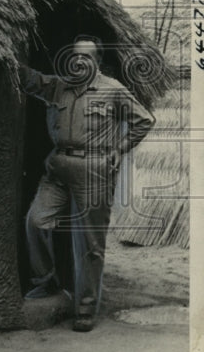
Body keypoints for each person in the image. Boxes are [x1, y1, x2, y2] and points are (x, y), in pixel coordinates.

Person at [18, 35, 155, 332]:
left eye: (86, 56)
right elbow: (29, 80)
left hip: (94, 170)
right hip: (58, 168)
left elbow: (144, 120)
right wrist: (7, 56)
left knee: (90, 244)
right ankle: (47, 282)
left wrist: (120, 149)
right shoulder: (58, 86)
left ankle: (85, 308)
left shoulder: (112, 89)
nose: (79, 60)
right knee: (36, 221)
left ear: (97, 62)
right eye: (75, 55)